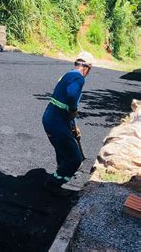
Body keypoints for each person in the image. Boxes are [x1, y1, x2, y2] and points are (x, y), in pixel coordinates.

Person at [42, 51, 94, 195]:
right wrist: (73, 110)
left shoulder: (68, 74)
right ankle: (54, 183)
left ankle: (60, 173)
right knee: (75, 158)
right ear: (87, 68)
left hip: (51, 118)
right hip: (57, 121)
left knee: (63, 151)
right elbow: (71, 96)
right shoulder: (78, 78)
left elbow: (63, 101)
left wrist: (73, 125)